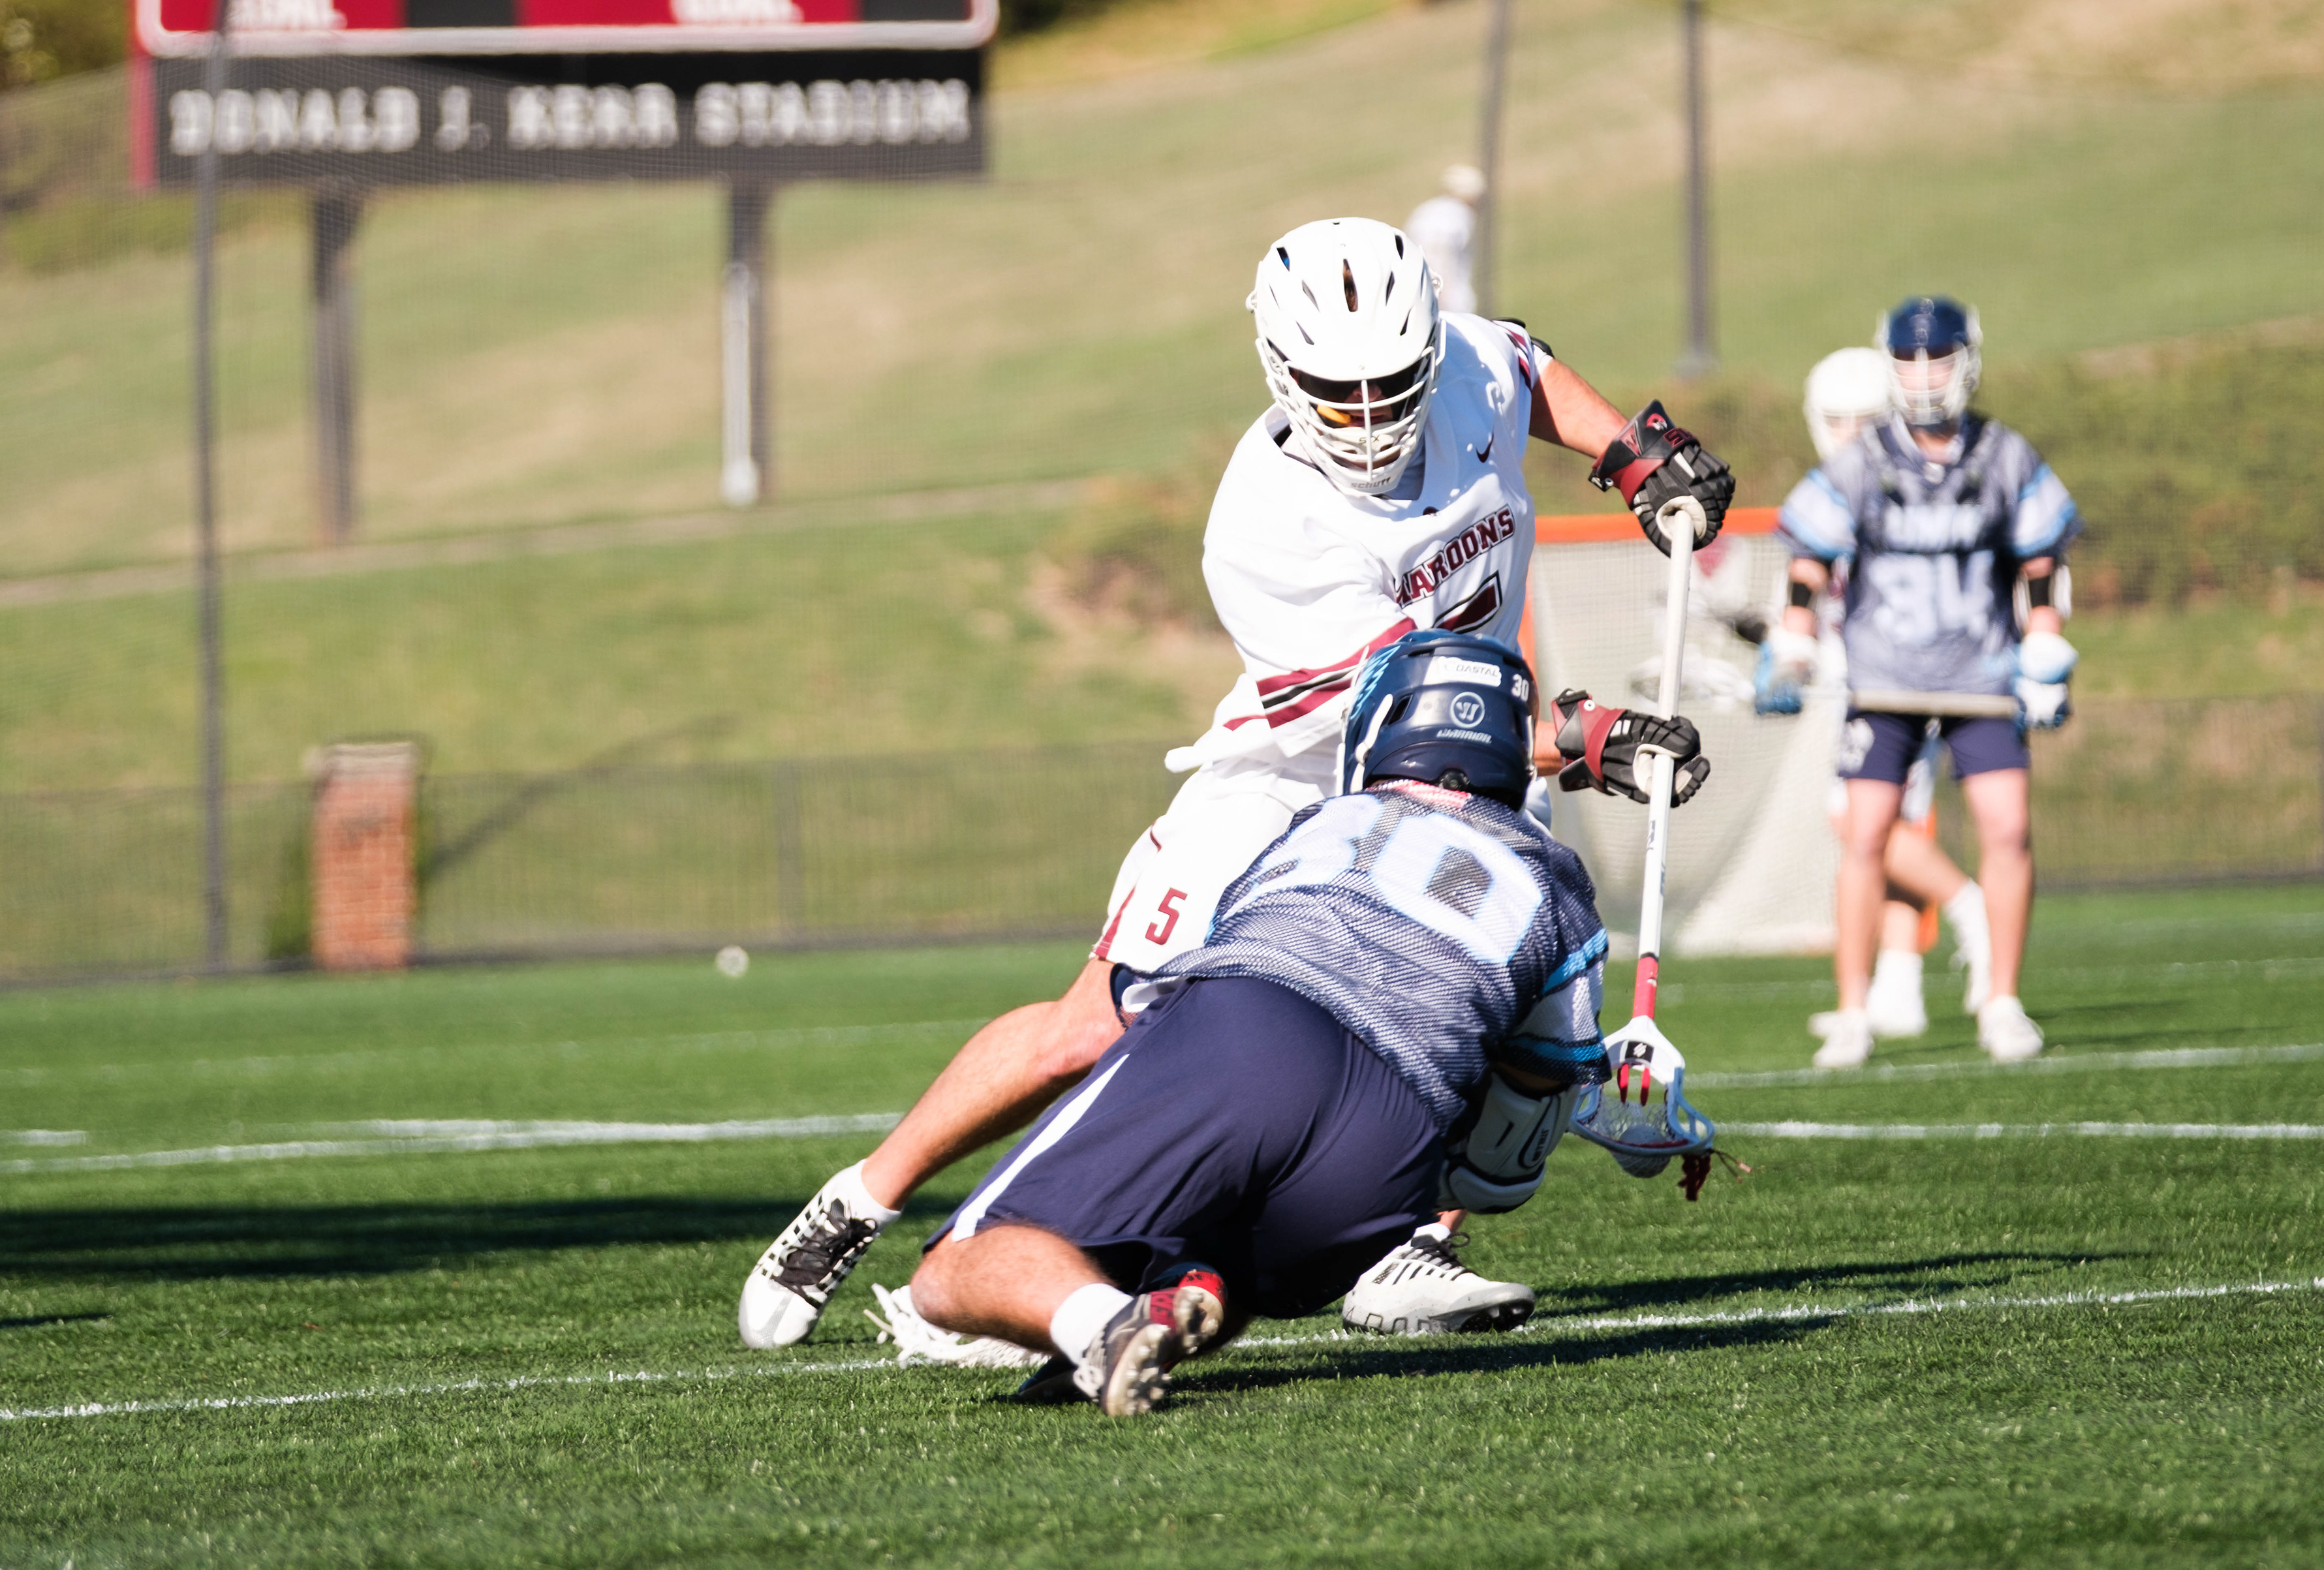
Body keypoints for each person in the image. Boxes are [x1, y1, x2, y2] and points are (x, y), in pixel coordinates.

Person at [740, 215, 1733, 1349]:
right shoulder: (1264, 525)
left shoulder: (1459, 365)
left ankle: (1410, 1241)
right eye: (1338, 392)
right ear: (1279, 372)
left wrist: (1634, 453)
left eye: (1391, 385)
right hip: (1304, 772)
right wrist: (1590, 733)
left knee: (1459, 1025)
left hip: (1472, 774)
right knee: (1095, 1023)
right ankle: (862, 1195)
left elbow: (1524, 365)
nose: (1369, 417)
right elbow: (1409, 709)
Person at [907, 628, 1688, 1416]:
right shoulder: (1559, 891)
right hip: (1386, 1153)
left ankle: (1100, 1323)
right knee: (1236, 1273)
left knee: (952, 1269)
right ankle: (1157, 1311)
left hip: (1255, 1029)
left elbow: (1228, 955)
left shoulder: (1322, 822)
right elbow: (1506, 1162)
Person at [1759, 298, 2079, 1068]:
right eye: (1910, 360)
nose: (1926, 376)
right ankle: (1851, 1011)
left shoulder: (2004, 454)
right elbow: (1810, 554)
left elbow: (2041, 558)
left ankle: (2001, 1000)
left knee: (2007, 828)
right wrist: (1794, 638)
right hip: (1887, 677)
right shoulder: (1865, 458)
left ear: (1967, 361)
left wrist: (2043, 645)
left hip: (1980, 673)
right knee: (1864, 834)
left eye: (1938, 359)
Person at [1776, 347, 1994, 1041]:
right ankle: (1900, 989)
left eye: (1862, 418)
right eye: (1836, 419)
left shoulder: (1904, 485)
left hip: (1914, 673)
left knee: (1857, 821)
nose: (1848, 432)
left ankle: (1969, 905)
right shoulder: (1844, 483)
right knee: (1894, 822)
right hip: (1871, 672)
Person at [1404, 164, 1484, 312]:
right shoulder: (1460, 215)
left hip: (1415, 297)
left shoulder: (1425, 210)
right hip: (1449, 304)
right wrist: (1442, 299)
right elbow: (1440, 260)